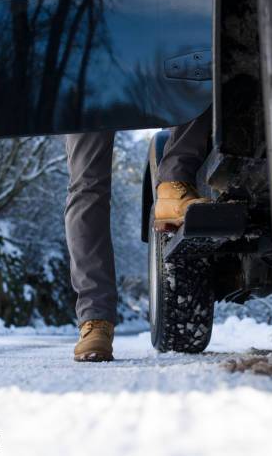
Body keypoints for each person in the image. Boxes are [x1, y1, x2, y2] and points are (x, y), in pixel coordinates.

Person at [66, 107, 211, 361]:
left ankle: (174, 183)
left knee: (203, 75)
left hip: (164, 69)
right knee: (87, 184)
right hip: (92, 74)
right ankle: (95, 320)